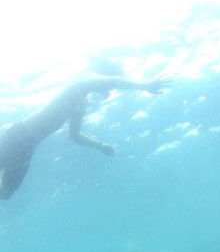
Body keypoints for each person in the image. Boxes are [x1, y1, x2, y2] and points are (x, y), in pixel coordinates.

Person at [0, 72, 168, 199]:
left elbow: (74, 135)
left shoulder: (81, 103)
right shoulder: (81, 81)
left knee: (6, 193)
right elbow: (112, 81)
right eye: (108, 88)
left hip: (28, 146)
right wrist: (143, 86)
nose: (109, 91)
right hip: (18, 135)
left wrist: (100, 146)